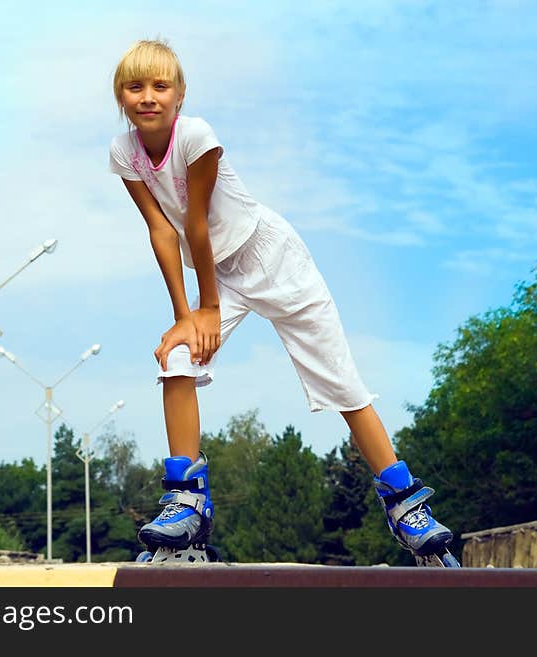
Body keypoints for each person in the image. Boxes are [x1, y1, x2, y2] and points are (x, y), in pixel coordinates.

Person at [108, 38, 457, 565]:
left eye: (161, 86)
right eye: (135, 87)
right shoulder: (125, 152)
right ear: (121, 97)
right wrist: (185, 318)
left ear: (180, 96)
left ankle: (405, 504)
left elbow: (196, 223)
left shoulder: (196, 137)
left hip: (272, 258)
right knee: (177, 359)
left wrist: (204, 310)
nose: (148, 97)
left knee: (340, 381)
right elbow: (162, 230)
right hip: (216, 277)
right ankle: (187, 500)